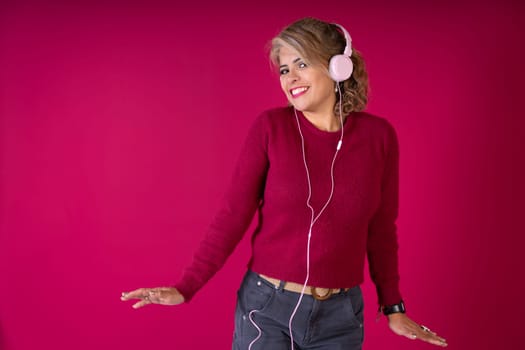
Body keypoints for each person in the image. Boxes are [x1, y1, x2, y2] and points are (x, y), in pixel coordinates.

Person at [121, 17, 448, 349]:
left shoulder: (378, 137)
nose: (290, 78)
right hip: (266, 308)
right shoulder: (270, 129)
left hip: (341, 317)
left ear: (338, 67)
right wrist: (186, 286)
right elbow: (233, 215)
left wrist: (392, 307)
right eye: (283, 69)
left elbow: (381, 229)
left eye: (301, 63)